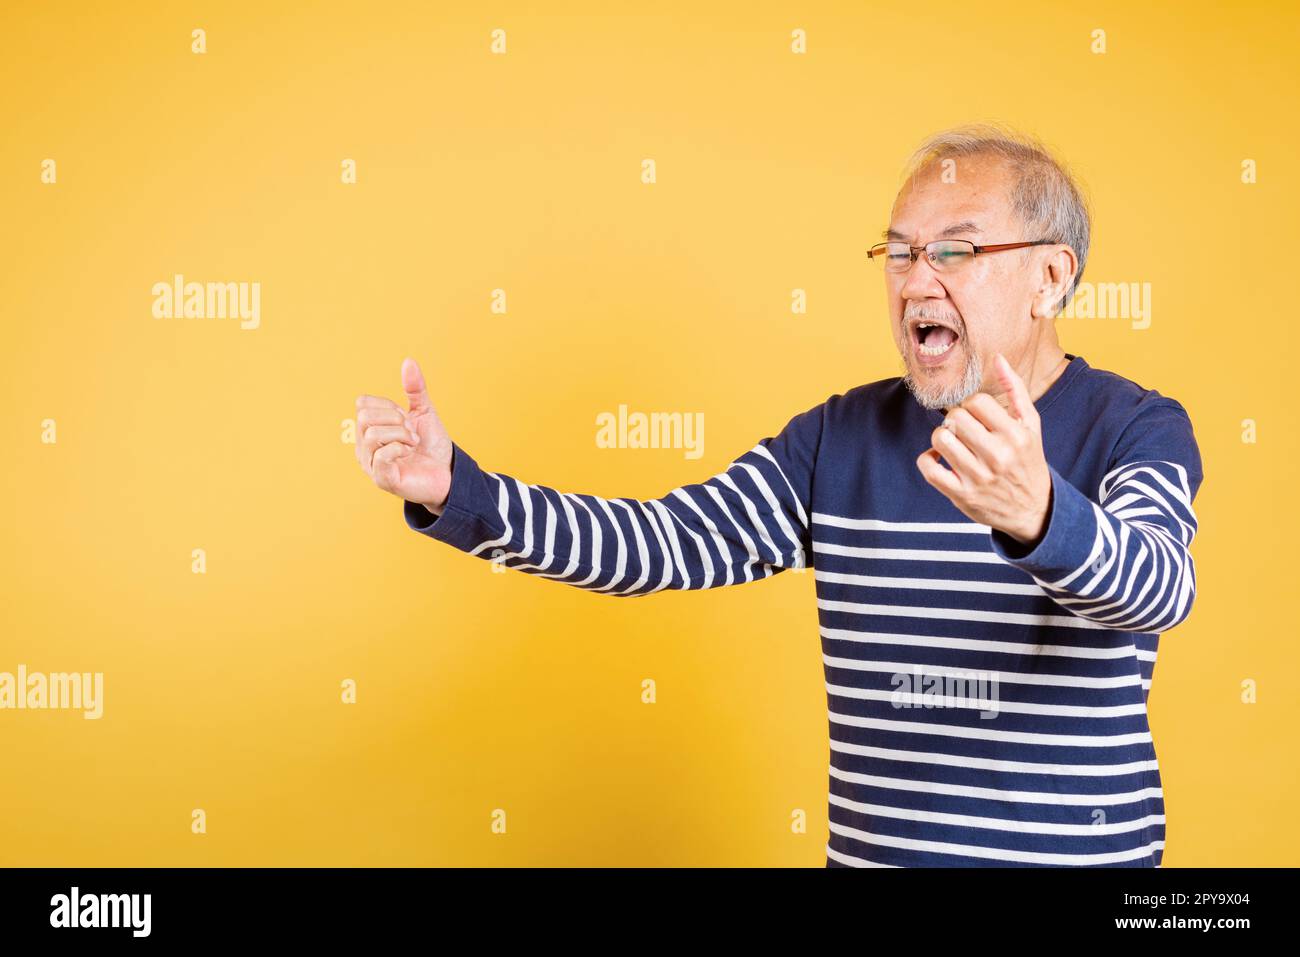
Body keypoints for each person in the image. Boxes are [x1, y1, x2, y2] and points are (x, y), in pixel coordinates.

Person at [354, 123, 1203, 868]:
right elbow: (662, 543)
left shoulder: (1135, 427)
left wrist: (1040, 515)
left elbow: (1161, 587)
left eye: (955, 251)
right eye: (900, 251)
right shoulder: (837, 437)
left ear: (1051, 276)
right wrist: (458, 490)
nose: (914, 281)